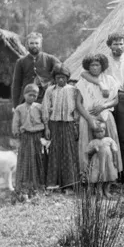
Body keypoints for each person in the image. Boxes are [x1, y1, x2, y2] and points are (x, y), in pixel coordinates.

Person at [80, 32, 124, 190]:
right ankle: (103, 177)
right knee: (103, 138)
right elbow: (84, 73)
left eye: (121, 43)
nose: (118, 47)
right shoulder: (104, 61)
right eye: (115, 44)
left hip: (123, 98)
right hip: (105, 100)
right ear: (109, 45)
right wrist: (100, 84)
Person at [76, 54, 123, 180]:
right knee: (89, 147)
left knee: (107, 146)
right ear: (88, 67)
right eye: (92, 65)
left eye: (97, 65)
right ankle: (89, 178)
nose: (95, 68)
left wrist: (103, 106)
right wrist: (89, 119)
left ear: (102, 66)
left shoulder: (109, 80)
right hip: (88, 117)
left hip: (105, 116)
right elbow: (78, 103)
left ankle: (109, 178)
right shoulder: (83, 81)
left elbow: (115, 100)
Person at [41, 64, 79, 192]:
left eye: (63, 77)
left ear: (67, 78)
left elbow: (77, 108)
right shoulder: (50, 90)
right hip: (54, 124)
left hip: (68, 124)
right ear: (54, 78)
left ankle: (69, 184)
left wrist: (76, 125)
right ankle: (53, 183)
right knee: (54, 152)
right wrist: (46, 127)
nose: (61, 80)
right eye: (58, 78)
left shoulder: (73, 90)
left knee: (69, 152)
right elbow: (45, 108)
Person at [12, 84, 47, 200]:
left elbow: (44, 119)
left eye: (35, 95)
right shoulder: (19, 108)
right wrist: (16, 131)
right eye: (30, 95)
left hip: (37, 135)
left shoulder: (39, 107)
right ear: (24, 95)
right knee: (26, 158)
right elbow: (16, 122)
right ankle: (25, 185)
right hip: (26, 136)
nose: (32, 97)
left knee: (38, 158)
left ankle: (38, 184)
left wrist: (46, 130)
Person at [11, 32, 61, 106]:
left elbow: (63, 71)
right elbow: (16, 84)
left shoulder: (50, 59)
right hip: (26, 99)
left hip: (46, 99)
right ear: (27, 44)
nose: (34, 45)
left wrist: (52, 82)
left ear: (40, 44)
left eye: (37, 43)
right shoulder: (21, 62)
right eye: (31, 43)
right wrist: (15, 105)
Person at [85, 122, 119, 198]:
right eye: (97, 132)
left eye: (102, 131)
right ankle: (99, 190)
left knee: (108, 176)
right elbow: (88, 152)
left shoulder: (109, 140)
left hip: (108, 162)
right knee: (99, 176)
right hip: (98, 163)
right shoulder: (93, 142)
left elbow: (114, 150)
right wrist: (94, 150)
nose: (100, 134)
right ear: (94, 133)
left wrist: (115, 161)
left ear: (105, 131)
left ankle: (106, 190)